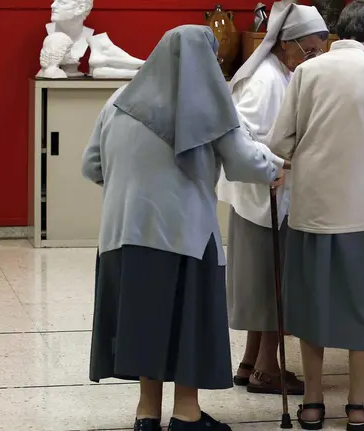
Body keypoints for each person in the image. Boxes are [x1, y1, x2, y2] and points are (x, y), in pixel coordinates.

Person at [81, 25, 287, 431]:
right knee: (188, 320)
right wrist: (275, 167)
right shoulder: (206, 104)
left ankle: (146, 414)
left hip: (123, 232)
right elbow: (244, 160)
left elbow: (91, 165)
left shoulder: (119, 100)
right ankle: (187, 414)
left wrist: (134, 184)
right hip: (184, 234)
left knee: (146, 320)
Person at [268, 2, 364, 430]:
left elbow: (280, 139)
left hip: (311, 208)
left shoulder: (308, 71)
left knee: (312, 303)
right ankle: (355, 406)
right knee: (363, 304)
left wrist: (310, 160)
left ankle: (312, 403)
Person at [216, 0, 328, 397]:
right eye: (309, 50)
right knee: (272, 285)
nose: (313, 58)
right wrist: (277, 161)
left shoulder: (282, 73)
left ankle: (250, 362)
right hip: (264, 195)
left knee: (266, 281)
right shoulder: (265, 79)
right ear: (286, 44)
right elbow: (241, 133)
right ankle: (267, 369)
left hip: (268, 196)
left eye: (319, 50)